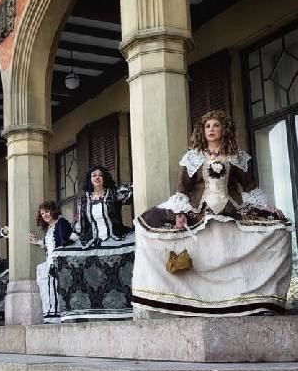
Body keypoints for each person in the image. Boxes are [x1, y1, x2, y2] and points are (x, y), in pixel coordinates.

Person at [133, 110, 293, 316]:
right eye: (207, 126)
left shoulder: (237, 157)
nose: (211, 130)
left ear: (224, 129)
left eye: (216, 125)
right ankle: (190, 298)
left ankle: (252, 297)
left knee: (278, 229)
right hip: (199, 210)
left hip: (231, 209)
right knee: (150, 229)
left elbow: (250, 187)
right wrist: (180, 213)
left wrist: (268, 207)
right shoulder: (192, 157)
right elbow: (182, 189)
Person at [29, 201, 77, 319]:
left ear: (52, 211)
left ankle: (57, 315)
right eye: (42, 213)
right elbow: (49, 245)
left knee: (56, 287)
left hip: (59, 262)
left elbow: (66, 241)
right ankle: (50, 314)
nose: (45, 215)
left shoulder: (61, 223)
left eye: (47, 211)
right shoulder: (49, 228)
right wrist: (37, 242)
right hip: (50, 261)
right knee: (47, 284)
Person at [74, 165, 134, 248]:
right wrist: (74, 233)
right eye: (94, 175)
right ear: (90, 179)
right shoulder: (84, 200)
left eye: (100, 175)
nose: (97, 177)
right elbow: (81, 223)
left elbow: (133, 191)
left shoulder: (114, 193)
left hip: (117, 238)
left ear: (105, 178)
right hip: (93, 241)